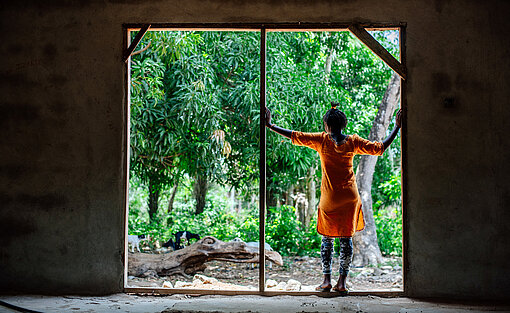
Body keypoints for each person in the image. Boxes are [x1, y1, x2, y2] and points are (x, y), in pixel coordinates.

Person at [265, 103, 402, 294]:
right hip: (349, 199)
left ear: (326, 126)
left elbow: (295, 136)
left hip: (330, 199)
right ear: (343, 124)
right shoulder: (353, 142)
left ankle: (326, 281)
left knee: (327, 240)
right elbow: (380, 148)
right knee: (346, 240)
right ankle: (342, 283)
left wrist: (270, 126)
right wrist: (397, 126)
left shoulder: (322, 141)